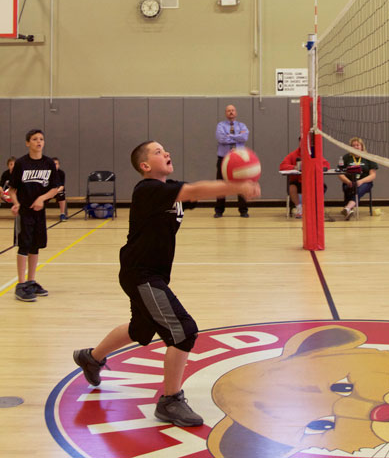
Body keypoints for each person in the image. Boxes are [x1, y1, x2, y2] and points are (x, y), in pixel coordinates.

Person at [73, 140, 260, 427]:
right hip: (142, 273)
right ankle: (170, 400)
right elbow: (194, 190)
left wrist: (235, 179)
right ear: (145, 166)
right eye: (158, 152)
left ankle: (91, 358)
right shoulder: (148, 189)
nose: (167, 153)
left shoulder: (167, 189)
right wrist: (236, 186)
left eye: (166, 149)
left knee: (142, 328)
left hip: (148, 273)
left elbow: (193, 194)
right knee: (184, 331)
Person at [8, 129, 58, 302]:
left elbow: (55, 188)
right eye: (35, 139)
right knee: (24, 245)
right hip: (24, 212)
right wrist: (16, 203)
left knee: (35, 246)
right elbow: (12, 189)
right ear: (27, 143)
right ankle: (21, 284)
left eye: (41, 139)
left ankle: (31, 281)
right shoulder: (21, 163)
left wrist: (41, 199)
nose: (39, 142)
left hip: (39, 212)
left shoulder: (49, 163)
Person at [279, 138, 330, 219]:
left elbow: (326, 165)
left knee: (321, 187)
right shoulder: (293, 155)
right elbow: (282, 166)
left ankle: (314, 209)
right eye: (302, 143)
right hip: (298, 182)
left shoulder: (315, 154)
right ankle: (299, 208)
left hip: (311, 182)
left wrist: (315, 167)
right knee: (292, 188)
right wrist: (294, 167)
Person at [214, 104, 250, 218]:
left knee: (241, 183)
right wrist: (237, 136)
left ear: (236, 112)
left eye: (233, 110)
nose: (231, 112)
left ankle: (243, 210)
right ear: (226, 113)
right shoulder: (220, 125)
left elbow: (244, 137)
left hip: (238, 158)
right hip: (223, 158)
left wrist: (230, 135)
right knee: (221, 184)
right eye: (228, 111)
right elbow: (221, 139)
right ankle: (219, 211)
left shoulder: (242, 125)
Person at [338, 137, 378, 220]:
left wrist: (361, 181)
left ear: (362, 146)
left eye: (357, 145)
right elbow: (340, 173)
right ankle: (349, 210)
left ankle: (348, 208)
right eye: (353, 145)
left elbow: (373, 175)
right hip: (349, 182)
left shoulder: (368, 157)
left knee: (358, 188)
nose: (355, 147)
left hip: (365, 183)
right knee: (349, 187)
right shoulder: (346, 157)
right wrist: (348, 181)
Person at [52, 157, 67, 221]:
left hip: (58, 191)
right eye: (53, 164)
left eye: (56, 164)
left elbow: (62, 186)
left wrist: (56, 191)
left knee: (61, 195)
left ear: (59, 165)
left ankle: (62, 214)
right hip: (49, 191)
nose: (55, 165)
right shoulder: (47, 173)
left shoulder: (61, 173)